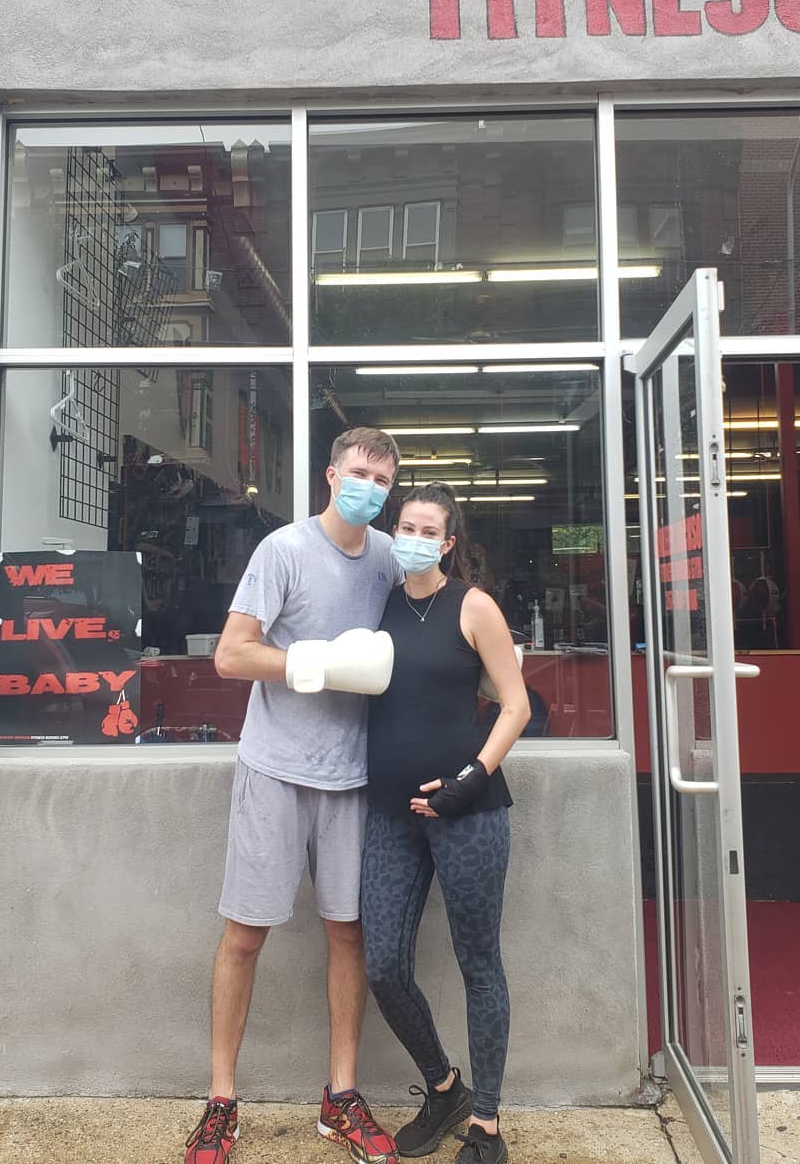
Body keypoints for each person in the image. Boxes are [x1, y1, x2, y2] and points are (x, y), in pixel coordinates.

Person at [183, 427, 403, 1164]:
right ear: (331, 476)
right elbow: (230, 654)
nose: (369, 486)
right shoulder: (283, 550)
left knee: (348, 934)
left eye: (382, 478)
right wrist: (318, 665)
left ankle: (341, 1096)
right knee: (245, 935)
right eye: (359, 472)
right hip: (275, 768)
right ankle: (221, 1101)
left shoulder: (389, 559)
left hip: (352, 776)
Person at [361, 483, 530, 1164]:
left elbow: (515, 705)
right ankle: (443, 1087)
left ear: (449, 542)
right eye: (405, 526)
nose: (415, 539)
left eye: (428, 530)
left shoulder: (474, 606)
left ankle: (485, 1121)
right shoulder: (378, 604)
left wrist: (469, 781)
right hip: (390, 814)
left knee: (478, 964)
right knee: (383, 966)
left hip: (469, 814)